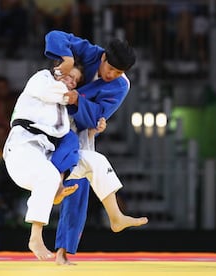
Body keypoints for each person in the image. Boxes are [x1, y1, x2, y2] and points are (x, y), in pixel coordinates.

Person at [44, 30, 149, 265]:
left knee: (78, 185)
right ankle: (37, 235)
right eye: (110, 68)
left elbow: (97, 117)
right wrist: (68, 60)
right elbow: (54, 35)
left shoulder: (121, 86)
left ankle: (62, 251)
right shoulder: (90, 53)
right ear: (103, 58)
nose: (112, 75)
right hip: (49, 118)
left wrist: (78, 101)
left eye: (119, 72)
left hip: (79, 130)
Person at [2, 64, 83, 260]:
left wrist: (60, 183)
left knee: (75, 164)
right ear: (59, 70)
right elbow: (57, 93)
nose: (72, 82)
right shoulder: (42, 79)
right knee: (48, 175)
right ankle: (36, 238)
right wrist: (76, 97)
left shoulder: (64, 113)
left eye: (76, 81)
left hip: (41, 154)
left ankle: (55, 190)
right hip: (21, 147)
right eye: (70, 76)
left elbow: (68, 144)